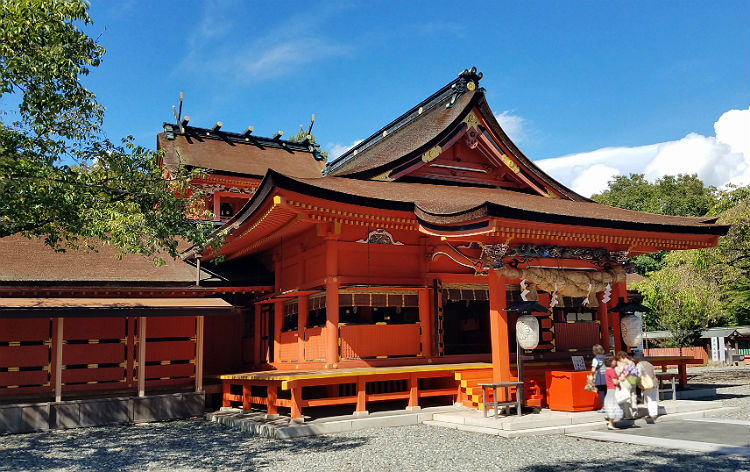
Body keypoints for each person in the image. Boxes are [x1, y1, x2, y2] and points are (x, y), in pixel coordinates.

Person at [603, 353, 624, 430]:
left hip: (609, 389)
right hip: (613, 390)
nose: (615, 361)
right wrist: (620, 379)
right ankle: (611, 424)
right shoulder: (612, 371)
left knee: (611, 406)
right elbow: (615, 382)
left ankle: (610, 421)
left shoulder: (607, 370)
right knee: (613, 406)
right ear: (610, 362)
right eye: (614, 360)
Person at [637, 358, 658, 422]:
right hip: (654, 382)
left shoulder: (639, 365)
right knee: (653, 398)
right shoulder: (650, 364)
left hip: (646, 383)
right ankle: (654, 413)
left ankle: (651, 414)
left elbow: (640, 374)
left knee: (648, 399)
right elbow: (654, 374)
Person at [590, 344, 607, 412]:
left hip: (600, 376)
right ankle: (608, 406)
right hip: (607, 376)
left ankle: (603, 407)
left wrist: (592, 375)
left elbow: (593, 370)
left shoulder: (595, 359)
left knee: (601, 392)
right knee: (607, 392)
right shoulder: (606, 357)